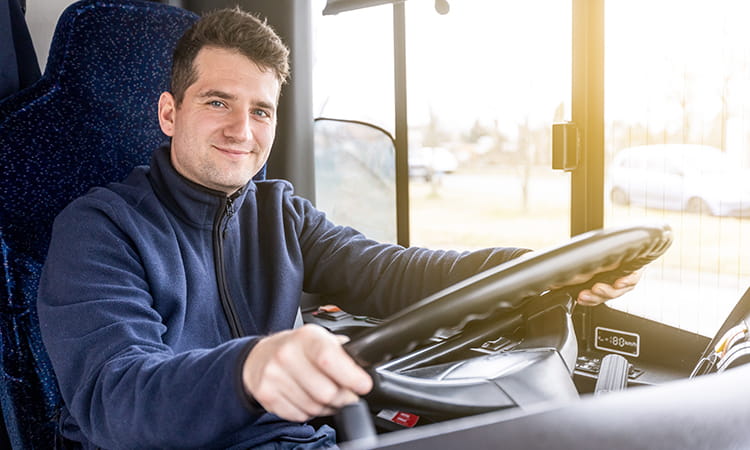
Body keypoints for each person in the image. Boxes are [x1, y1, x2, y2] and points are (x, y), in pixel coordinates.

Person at [36, 7, 640, 449]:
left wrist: (538, 267)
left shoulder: (281, 213)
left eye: (261, 110)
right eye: (218, 102)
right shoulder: (100, 227)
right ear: (170, 114)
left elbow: (393, 274)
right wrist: (250, 369)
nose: (242, 131)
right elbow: (116, 395)